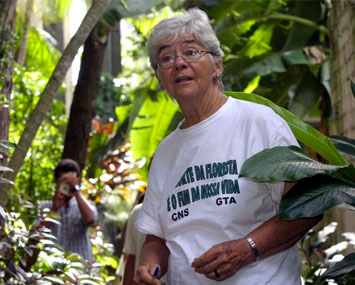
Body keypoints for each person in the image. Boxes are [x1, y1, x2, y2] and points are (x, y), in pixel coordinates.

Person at [133, 8, 322, 285]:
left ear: (218, 65)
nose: (179, 63)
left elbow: (309, 204)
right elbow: (156, 237)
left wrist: (247, 249)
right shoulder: (165, 152)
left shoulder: (260, 122)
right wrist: (149, 266)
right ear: (161, 79)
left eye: (191, 52)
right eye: (166, 58)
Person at [37, 158, 98, 263]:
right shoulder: (46, 206)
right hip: (52, 267)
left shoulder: (85, 205)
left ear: (77, 181)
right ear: (56, 181)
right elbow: (37, 235)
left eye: (71, 182)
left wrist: (76, 191)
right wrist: (54, 209)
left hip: (80, 268)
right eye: (65, 181)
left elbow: (91, 220)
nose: (68, 185)